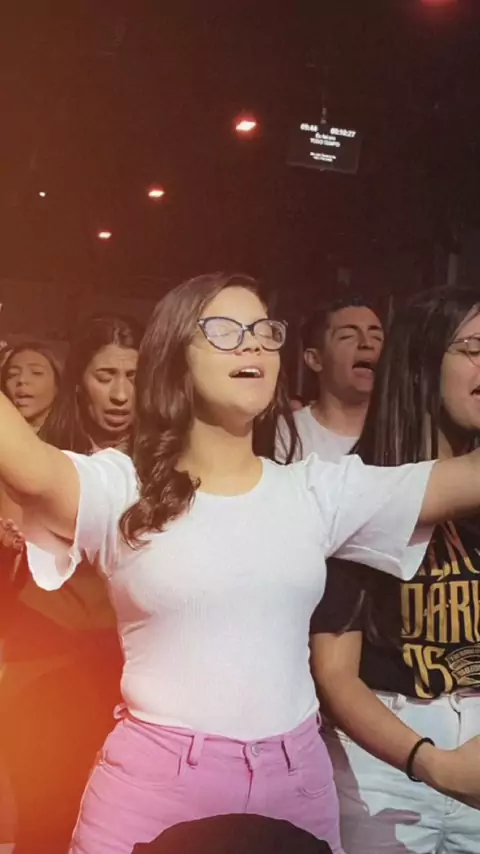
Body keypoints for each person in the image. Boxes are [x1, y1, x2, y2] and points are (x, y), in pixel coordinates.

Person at [0, 273, 479, 854]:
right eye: (225, 330)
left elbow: (461, 481)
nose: (252, 343)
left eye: (263, 331)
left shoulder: (314, 492)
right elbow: (25, 462)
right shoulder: (121, 486)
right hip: (158, 783)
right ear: (175, 357)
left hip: (296, 782)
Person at [310, 285, 480, 854]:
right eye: (474, 348)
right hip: (384, 763)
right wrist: (429, 763)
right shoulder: (358, 490)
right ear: (421, 362)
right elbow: (336, 673)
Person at [0, 314, 142, 854]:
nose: (120, 394)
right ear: (78, 380)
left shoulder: (167, 457)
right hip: (46, 658)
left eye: (133, 376)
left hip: (131, 669)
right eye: (105, 376)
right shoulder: (38, 452)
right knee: (47, 819)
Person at [276, 298, 384, 462]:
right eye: (348, 336)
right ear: (315, 359)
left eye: (376, 337)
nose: (367, 343)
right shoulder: (287, 434)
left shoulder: (404, 433)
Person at [1, 342, 61, 432]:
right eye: (13, 374)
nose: (22, 380)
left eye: (36, 372)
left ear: (57, 385)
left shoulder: (76, 437)